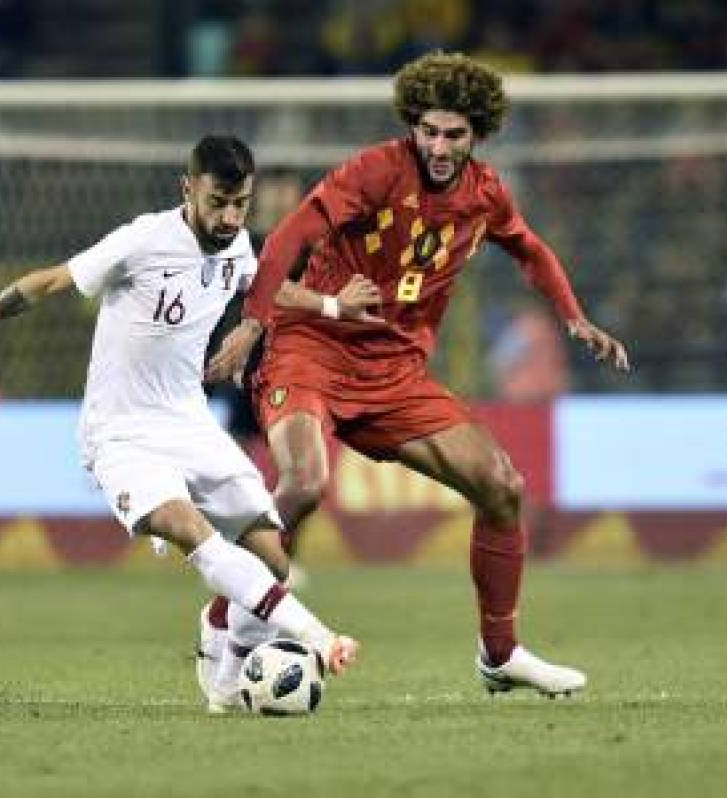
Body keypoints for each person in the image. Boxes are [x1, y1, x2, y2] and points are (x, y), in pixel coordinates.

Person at [207, 52, 630, 697]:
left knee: (502, 486)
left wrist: (574, 319)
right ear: (413, 124)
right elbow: (291, 232)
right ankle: (223, 623)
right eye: (428, 130)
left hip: (396, 370)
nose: (437, 145)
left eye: (453, 134)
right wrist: (252, 325)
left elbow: (531, 249)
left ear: (476, 134)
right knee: (304, 480)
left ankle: (500, 654)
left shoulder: (485, 194)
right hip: (311, 348)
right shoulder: (376, 170)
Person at [0, 134, 359, 712]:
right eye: (218, 201)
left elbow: (265, 286)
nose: (229, 216)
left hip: (188, 422)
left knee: (272, 558)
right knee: (193, 531)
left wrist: (333, 306)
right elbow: (45, 282)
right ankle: (319, 637)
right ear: (187, 188)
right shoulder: (143, 240)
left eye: (239, 203)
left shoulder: (238, 245)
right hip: (121, 433)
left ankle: (219, 651)